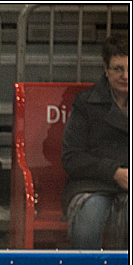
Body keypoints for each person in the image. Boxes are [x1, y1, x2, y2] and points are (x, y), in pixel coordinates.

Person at [62, 34, 129, 250]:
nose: (126, 76)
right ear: (106, 69)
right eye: (119, 69)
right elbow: (71, 157)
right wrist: (114, 172)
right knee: (89, 218)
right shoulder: (85, 103)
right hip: (91, 185)